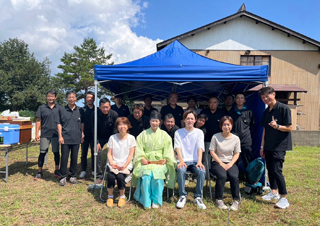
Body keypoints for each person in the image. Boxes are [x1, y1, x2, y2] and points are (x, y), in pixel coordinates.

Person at [133, 111, 176, 209]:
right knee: (146, 177)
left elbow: (168, 150)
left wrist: (165, 159)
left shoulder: (165, 135)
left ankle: (156, 200)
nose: (155, 123)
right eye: (153, 121)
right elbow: (139, 149)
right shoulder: (142, 134)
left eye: (157, 121)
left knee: (158, 177)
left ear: (160, 122)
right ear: (149, 121)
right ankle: (146, 201)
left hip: (159, 163)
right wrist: (142, 158)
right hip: (146, 162)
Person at [259, 86, 292, 209]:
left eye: (267, 96)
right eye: (263, 98)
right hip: (268, 145)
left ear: (274, 94)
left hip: (279, 145)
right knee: (270, 169)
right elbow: (264, 130)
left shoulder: (284, 109)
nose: (265, 99)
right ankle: (274, 192)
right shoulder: (266, 112)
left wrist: (277, 126)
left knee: (277, 170)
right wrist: (262, 146)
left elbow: (290, 128)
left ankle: (283, 197)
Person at [175, 110, 206, 210]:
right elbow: (178, 148)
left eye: (192, 118)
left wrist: (199, 162)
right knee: (181, 169)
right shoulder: (178, 132)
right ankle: (182, 195)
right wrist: (181, 161)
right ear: (184, 120)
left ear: (195, 120)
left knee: (202, 171)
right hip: (183, 160)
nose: (190, 120)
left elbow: (200, 147)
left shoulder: (199, 132)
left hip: (195, 161)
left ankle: (198, 197)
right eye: (188, 118)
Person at [209, 116, 241, 211]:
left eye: (228, 125)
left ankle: (236, 200)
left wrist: (230, 164)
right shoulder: (215, 137)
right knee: (222, 176)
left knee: (234, 176)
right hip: (217, 162)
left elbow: (237, 153)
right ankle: (218, 199)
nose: (226, 127)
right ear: (221, 126)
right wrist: (221, 163)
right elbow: (212, 152)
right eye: (224, 125)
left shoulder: (236, 138)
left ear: (231, 126)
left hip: (230, 162)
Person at [106, 117, 136, 208]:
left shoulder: (131, 138)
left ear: (128, 126)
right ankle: (110, 196)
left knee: (120, 176)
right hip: (114, 163)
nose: (122, 126)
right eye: (120, 124)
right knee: (111, 176)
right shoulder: (112, 138)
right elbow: (109, 153)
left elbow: (131, 155)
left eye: (124, 124)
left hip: (125, 164)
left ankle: (122, 196)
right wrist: (112, 163)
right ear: (117, 126)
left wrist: (124, 166)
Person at [34, 89, 61, 180]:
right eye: (49, 96)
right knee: (42, 152)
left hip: (56, 134)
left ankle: (57, 170)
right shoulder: (41, 108)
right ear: (46, 97)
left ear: (55, 98)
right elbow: (38, 121)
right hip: (45, 134)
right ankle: (40, 171)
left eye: (52, 96)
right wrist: (37, 134)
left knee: (56, 152)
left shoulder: (59, 108)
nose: (50, 98)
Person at [57, 91, 82, 186]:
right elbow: (59, 123)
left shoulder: (80, 110)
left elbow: (82, 124)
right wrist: (60, 136)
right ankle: (63, 176)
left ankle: (72, 176)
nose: (72, 99)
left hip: (76, 138)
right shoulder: (62, 110)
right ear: (66, 99)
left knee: (74, 158)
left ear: (76, 98)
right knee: (64, 158)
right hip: (65, 138)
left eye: (73, 97)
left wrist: (82, 135)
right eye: (69, 97)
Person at [94, 98, 119, 184]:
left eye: (107, 107)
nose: (105, 109)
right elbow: (94, 130)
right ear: (100, 107)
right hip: (99, 137)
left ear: (110, 107)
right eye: (103, 107)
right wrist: (96, 142)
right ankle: (99, 175)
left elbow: (115, 130)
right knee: (97, 152)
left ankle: (112, 173)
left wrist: (112, 143)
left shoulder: (114, 114)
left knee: (114, 153)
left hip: (112, 137)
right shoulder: (95, 114)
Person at [228, 92, 255, 171]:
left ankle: (249, 179)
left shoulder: (249, 112)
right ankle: (233, 178)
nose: (240, 100)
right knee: (233, 161)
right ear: (235, 100)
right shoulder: (231, 113)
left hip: (246, 141)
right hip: (233, 141)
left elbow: (252, 126)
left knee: (247, 160)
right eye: (238, 98)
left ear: (244, 100)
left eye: (241, 98)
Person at [199, 96, 225, 167]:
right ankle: (207, 174)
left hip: (219, 140)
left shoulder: (222, 113)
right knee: (206, 158)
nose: (212, 104)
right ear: (208, 103)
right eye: (210, 102)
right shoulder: (204, 112)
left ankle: (216, 173)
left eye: (214, 102)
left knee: (218, 157)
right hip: (207, 139)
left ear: (217, 103)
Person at [79, 91, 95, 179]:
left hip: (94, 135)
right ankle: (83, 170)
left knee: (94, 153)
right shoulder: (82, 110)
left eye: (92, 98)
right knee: (84, 153)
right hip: (85, 135)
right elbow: (82, 122)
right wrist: (82, 133)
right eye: (88, 97)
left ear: (94, 99)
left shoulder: (97, 110)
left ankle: (93, 170)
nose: (90, 99)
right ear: (86, 99)